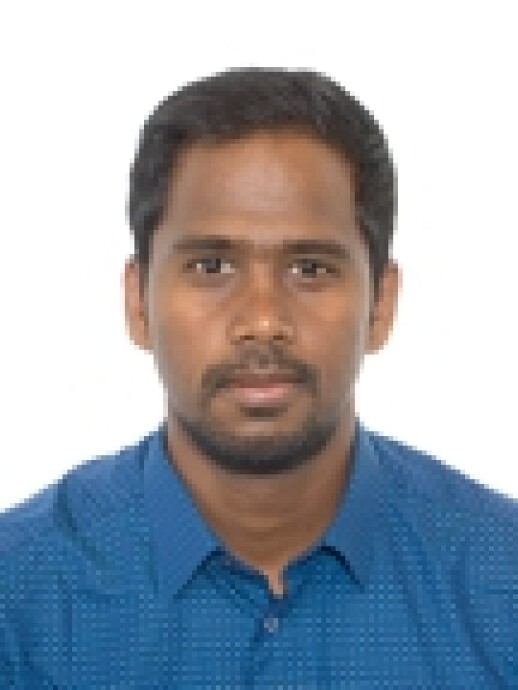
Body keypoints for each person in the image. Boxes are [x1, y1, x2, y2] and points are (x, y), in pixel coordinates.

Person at [1, 67, 516, 689]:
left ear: (381, 304)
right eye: (211, 265)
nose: (263, 321)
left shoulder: (501, 585)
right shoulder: (20, 599)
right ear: (138, 302)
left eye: (310, 268)